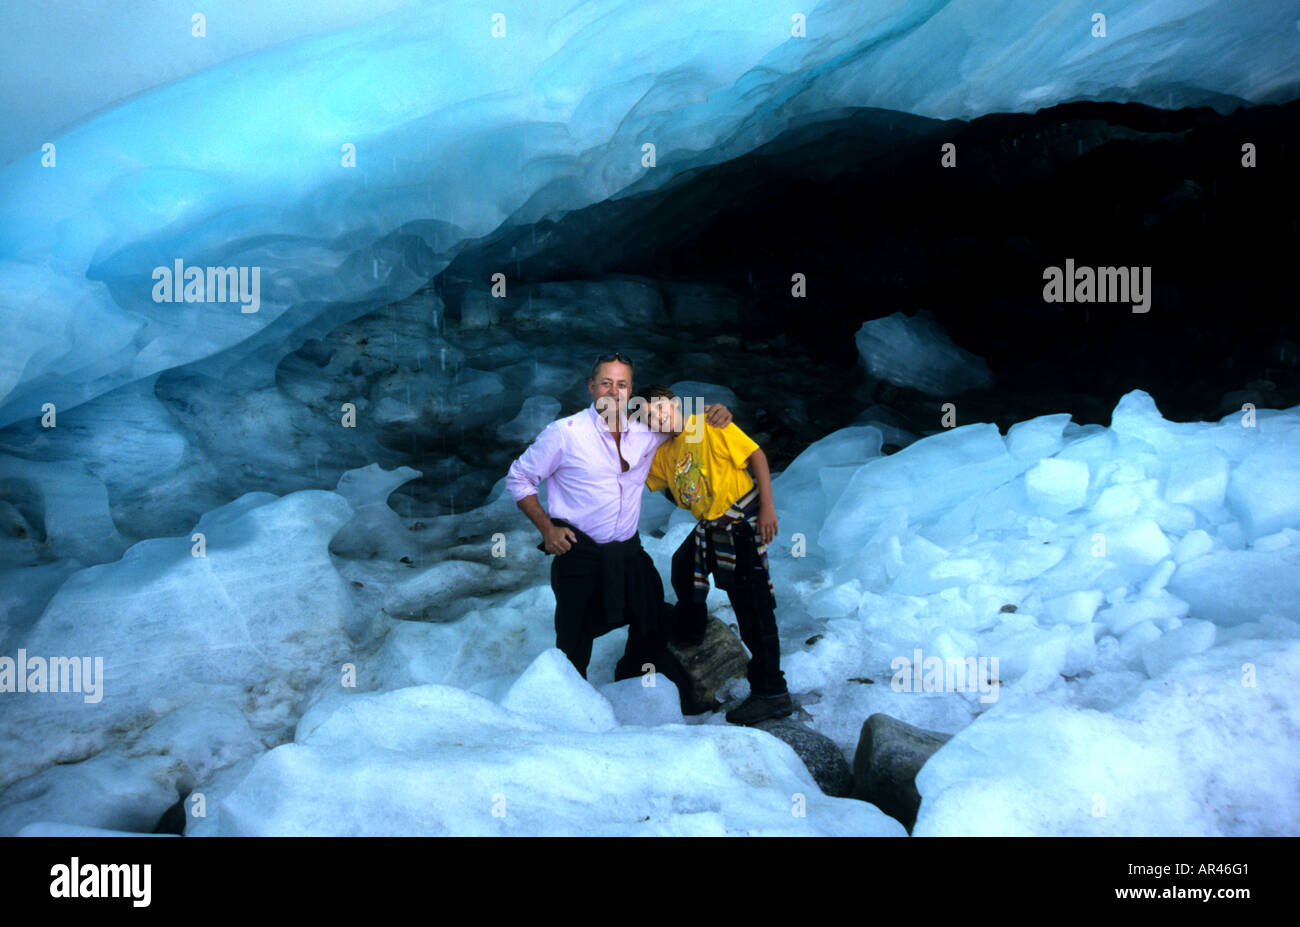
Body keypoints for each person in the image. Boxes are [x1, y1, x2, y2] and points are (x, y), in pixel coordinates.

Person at [505, 354, 732, 680]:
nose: (614, 391)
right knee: (573, 638)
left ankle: (632, 680)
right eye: (606, 383)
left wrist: (718, 412)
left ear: (630, 390)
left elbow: (691, 430)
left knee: (650, 616)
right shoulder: (564, 434)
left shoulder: (647, 429)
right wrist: (547, 529)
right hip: (577, 551)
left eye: (622, 384)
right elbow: (518, 478)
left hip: (627, 550)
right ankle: (571, 704)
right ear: (592, 387)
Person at [641, 384, 792, 725]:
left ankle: (772, 693)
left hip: (739, 524)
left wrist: (768, 507)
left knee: (753, 608)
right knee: (683, 565)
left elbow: (757, 456)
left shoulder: (707, 424)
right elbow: (631, 473)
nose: (659, 419)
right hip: (711, 528)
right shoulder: (663, 455)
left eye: (662, 409)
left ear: (676, 403)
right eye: (650, 418)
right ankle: (692, 629)